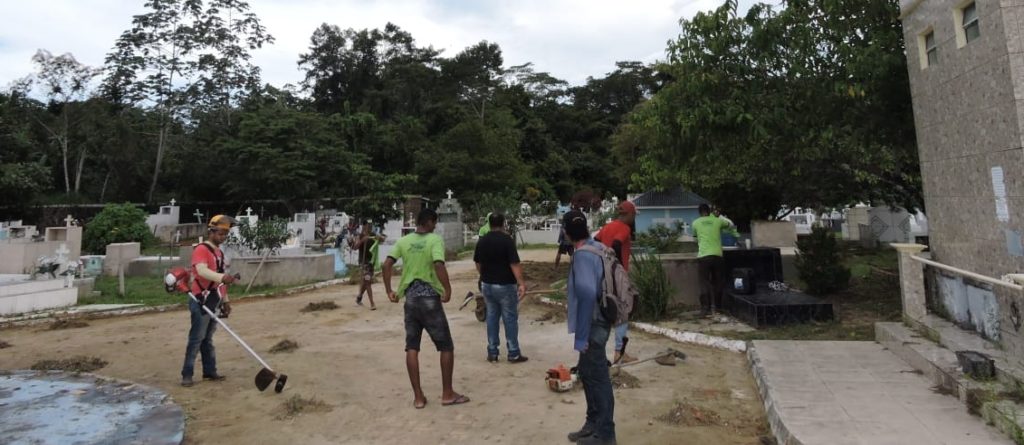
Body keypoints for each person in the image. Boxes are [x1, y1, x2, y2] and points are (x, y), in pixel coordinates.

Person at [383, 208, 469, 409]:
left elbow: (387, 265)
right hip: (429, 298)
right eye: (434, 222)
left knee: (412, 347)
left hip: (410, 300)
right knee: (446, 346)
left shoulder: (404, 241)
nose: (435, 226)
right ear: (429, 222)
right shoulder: (434, 240)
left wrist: (389, 291)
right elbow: (439, 264)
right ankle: (447, 393)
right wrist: (447, 289)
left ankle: (419, 397)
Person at [564, 210, 616, 444]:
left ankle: (605, 434)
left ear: (566, 232)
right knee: (587, 373)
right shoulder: (599, 247)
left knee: (598, 377)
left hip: (593, 324)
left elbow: (586, 295)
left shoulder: (583, 255)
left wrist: (581, 337)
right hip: (602, 319)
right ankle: (593, 423)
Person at [181, 214, 238, 387]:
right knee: (196, 338)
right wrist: (223, 277)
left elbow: (219, 283)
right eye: (220, 233)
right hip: (200, 300)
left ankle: (210, 371)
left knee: (207, 338)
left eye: (225, 234)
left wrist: (225, 300)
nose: (222, 237)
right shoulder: (201, 249)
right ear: (211, 231)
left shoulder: (219, 253)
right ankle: (187, 374)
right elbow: (202, 271)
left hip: (214, 299)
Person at [473, 213, 528, 363]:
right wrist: (521, 283)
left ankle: (492, 352)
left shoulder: (482, 241)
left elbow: (477, 262)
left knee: (491, 316)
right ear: (503, 223)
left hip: (487, 285)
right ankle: (513, 352)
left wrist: (483, 274)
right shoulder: (507, 240)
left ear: (489, 224)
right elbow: (514, 264)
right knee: (509, 318)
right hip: (505, 285)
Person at [595, 201, 638, 364]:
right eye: (633, 215)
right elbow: (617, 244)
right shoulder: (624, 228)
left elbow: (595, 240)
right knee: (623, 311)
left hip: (603, 275)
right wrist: (617, 266)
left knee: (607, 310)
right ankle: (619, 352)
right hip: (617, 276)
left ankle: (604, 351)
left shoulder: (607, 227)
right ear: (629, 214)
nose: (634, 219)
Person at [693, 204, 738, 316]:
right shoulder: (717, 221)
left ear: (699, 212)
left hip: (703, 256)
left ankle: (705, 309)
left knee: (704, 282)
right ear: (710, 212)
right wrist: (720, 216)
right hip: (718, 255)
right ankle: (718, 307)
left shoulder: (695, 223)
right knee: (718, 282)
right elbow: (731, 225)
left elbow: (695, 239)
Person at [353, 221, 382, 310]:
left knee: (366, 282)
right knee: (367, 280)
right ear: (364, 226)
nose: (370, 226)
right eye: (368, 225)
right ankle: (372, 303)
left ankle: (359, 297)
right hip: (363, 263)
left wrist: (379, 238)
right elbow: (355, 247)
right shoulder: (360, 235)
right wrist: (362, 240)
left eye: (371, 225)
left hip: (371, 262)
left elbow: (382, 239)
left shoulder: (373, 234)